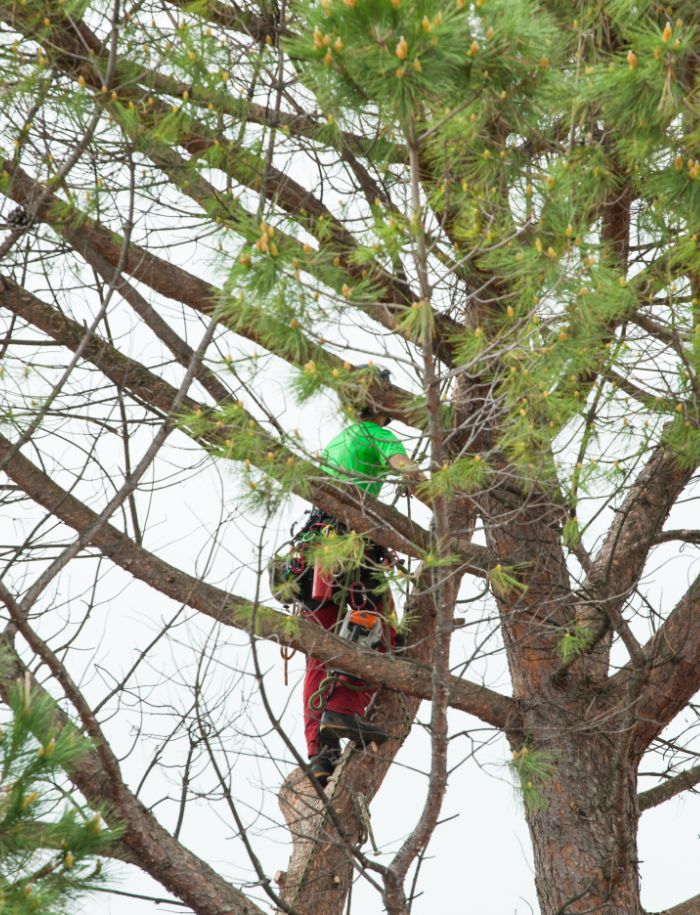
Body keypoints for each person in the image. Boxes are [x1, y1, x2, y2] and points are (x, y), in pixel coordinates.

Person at [294, 380, 421, 787]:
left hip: (313, 553)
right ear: (381, 405)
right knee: (380, 631)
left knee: (319, 647)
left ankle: (320, 753)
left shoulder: (338, 439)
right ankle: (343, 710)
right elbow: (404, 467)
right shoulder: (378, 433)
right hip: (353, 549)